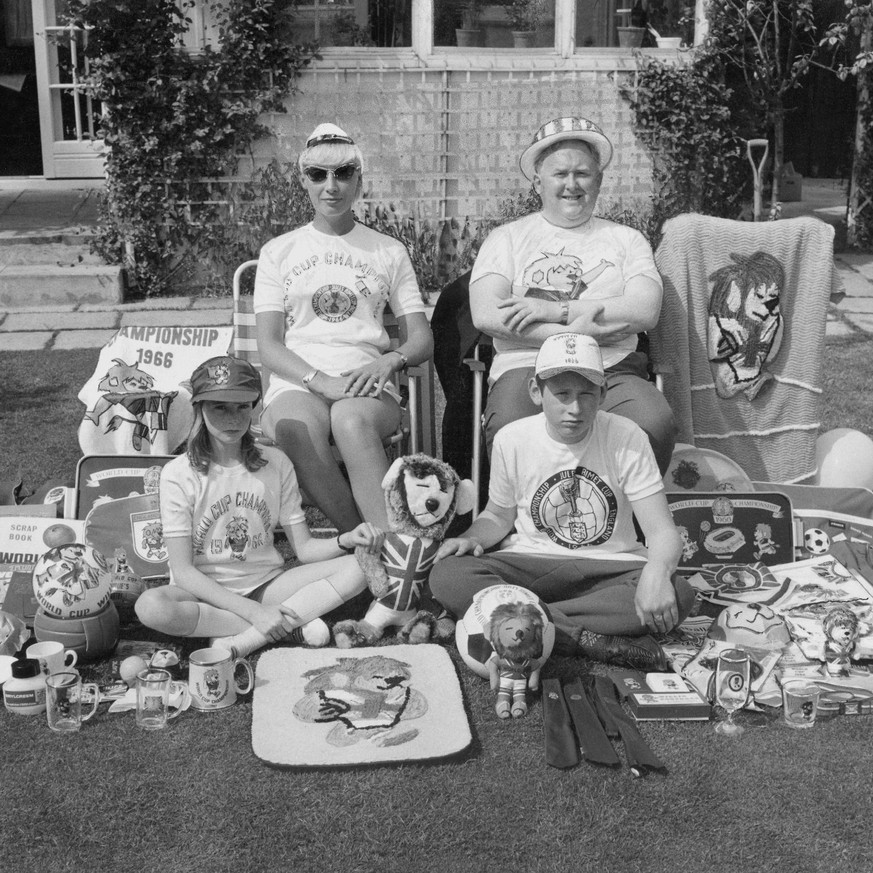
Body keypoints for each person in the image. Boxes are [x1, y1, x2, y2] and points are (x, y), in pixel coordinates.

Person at [429, 332, 695, 669]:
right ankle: (583, 638)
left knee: (679, 592)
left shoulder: (627, 436)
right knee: (447, 574)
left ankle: (522, 620)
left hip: (607, 568)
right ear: (536, 393)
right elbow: (497, 516)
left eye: (586, 394)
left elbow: (661, 532)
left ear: (602, 393)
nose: (575, 408)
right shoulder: (512, 438)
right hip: (530, 564)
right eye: (562, 394)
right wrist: (469, 538)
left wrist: (657, 571)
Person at [135, 355, 383, 658]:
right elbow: (184, 572)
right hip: (203, 592)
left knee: (359, 566)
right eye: (220, 407)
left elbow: (304, 550)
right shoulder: (178, 473)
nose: (233, 418)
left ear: (254, 406)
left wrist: (345, 540)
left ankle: (242, 639)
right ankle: (288, 621)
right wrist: (254, 613)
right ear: (199, 407)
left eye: (242, 407)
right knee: (150, 606)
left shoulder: (275, 463)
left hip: (267, 585)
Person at [469, 116, 676, 473]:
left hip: (611, 369)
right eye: (560, 174)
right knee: (509, 428)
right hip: (528, 369)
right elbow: (487, 313)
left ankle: (624, 523)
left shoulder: (626, 240)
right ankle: (523, 526)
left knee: (654, 423)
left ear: (599, 180)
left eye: (582, 173)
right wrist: (580, 333)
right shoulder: (507, 238)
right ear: (537, 182)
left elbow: (645, 309)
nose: (572, 184)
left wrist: (555, 311)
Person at [253, 122, 434, 531]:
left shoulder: (388, 250)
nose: (331, 186)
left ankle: (381, 550)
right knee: (294, 428)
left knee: (350, 419)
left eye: (343, 174)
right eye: (318, 175)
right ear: (303, 180)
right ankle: (376, 546)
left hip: (366, 381)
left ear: (359, 180)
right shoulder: (278, 252)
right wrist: (319, 381)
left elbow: (421, 338)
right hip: (299, 381)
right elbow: (268, 345)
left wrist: (390, 362)